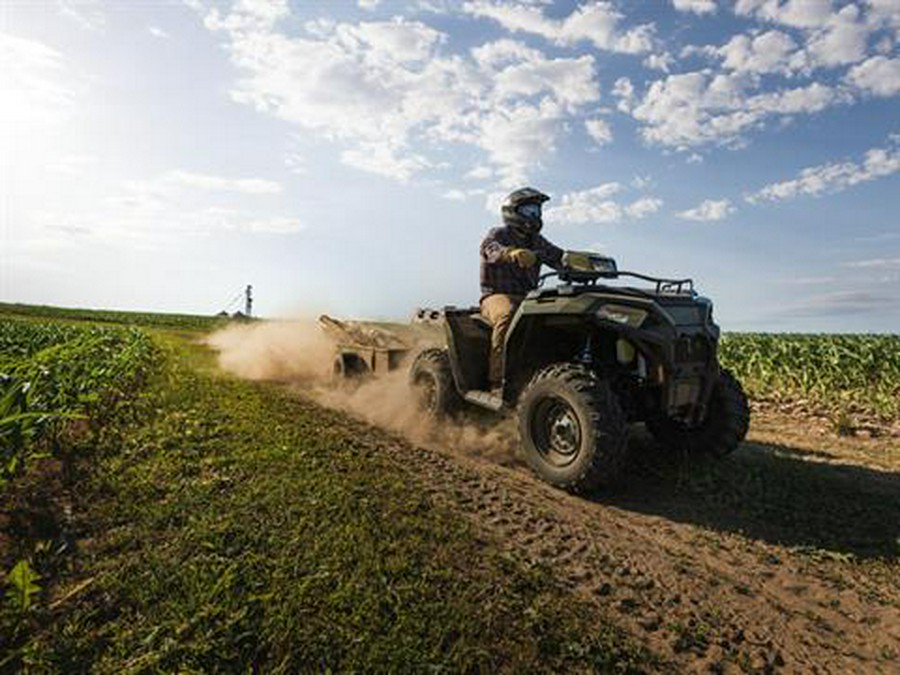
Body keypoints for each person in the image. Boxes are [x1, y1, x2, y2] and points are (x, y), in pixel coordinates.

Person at [480, 187, 563, 392]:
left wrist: (579, 262)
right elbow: (490, 249)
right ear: (513, 211)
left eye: (537, 211)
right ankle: (498, 382)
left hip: (529, 298)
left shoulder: (537, 241)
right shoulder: (499, 234)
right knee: (508, 315)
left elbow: (559, 257)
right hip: (496, 295)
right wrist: (511, 252)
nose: (535, 216)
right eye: (529, 211)